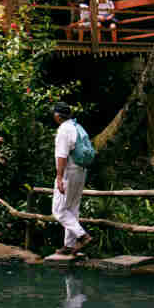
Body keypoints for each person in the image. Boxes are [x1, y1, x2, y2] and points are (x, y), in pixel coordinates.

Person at [51, 102, 92, 255]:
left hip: (69, 172)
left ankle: (82, 236)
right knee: (72, 208)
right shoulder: (77, 126)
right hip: (81, 171)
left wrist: (59, 177)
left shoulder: (64, 130)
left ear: (57, 115)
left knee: (59, 210)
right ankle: (69, 245)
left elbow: (61, 155)